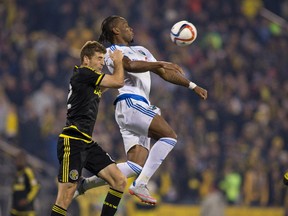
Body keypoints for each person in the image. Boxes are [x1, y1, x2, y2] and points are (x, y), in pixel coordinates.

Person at [74, 16, 208, 205]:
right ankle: (141, 184)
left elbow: (165, 73)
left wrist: (192, 86)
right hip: (130, 103)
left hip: (137, 108)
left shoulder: (142, 50)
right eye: (126, 26)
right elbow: (130, 66)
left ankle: (84, 185)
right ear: (116, 30)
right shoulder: (112, 51)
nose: (131, 29)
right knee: (169, 136)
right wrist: (159, 63)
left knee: (135, 166)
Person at [50, 40, 127, 216]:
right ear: (86, 59)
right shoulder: (84, 73)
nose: (102, 62)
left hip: (86, 142)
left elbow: (112, 83)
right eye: (99, 58)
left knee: (119, 181)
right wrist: (118, 61)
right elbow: (118, 81)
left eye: (103, 58)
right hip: (73, 140)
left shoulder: (88, 80)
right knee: (66, 195)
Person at [10, 151, 40, 216]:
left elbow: (35, 188)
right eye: (17, 159)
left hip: (27, 212)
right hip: (15, 211)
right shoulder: (16, 173)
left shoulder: (28, 172)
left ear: (25, 161)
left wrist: (27, 199)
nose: (18, 161)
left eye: (21, 159)